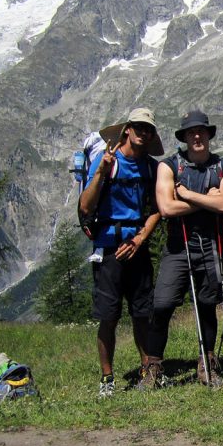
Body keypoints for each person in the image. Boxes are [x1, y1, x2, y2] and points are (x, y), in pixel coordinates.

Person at [147, 110, 223, 388]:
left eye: (201, 131)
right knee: (161, 304)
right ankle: (152, 367)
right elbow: (166, 208)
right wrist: (203, 200)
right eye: (190, 133)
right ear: (184, 137)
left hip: (211, 246)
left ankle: (207, 363)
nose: (196, 136)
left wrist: (185, 195)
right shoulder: (169, 166)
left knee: (208, 304)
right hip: (178, 246)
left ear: (208, 135)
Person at [78, 108, 163, 398]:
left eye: (148, 129)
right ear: (127, 129)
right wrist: (101, 170)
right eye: (138, 127)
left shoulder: (151, 167)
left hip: (136, 245)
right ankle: (107, 377)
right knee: (108, 316)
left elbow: (156, 209)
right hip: (109, 247)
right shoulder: (108, 162)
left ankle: (147, 370)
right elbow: (85, 207)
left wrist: (140, 239)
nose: (143, 132)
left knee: (142, 313)